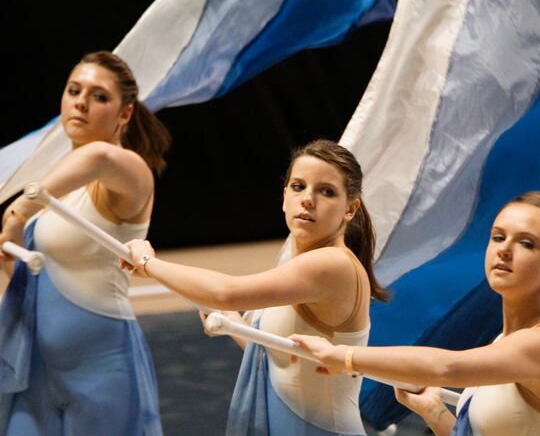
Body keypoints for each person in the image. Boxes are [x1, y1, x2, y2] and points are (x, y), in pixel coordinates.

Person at [0, 51, 170, 436]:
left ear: (125, 115)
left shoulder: (129, 171)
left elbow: (99, 156)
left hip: (103, 372)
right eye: (74, 90)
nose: (81, 102)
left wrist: (18, 210)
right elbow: (33, 278)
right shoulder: (54, 191)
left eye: (99, 96)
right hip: (36, 371)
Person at [125, 139, 388, 436]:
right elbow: (270, 352)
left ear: (350, 209)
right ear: (284, 197)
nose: (308, 199)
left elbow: (225, 292)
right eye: (298, 187)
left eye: (326, 191)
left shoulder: (332, 265)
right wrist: (232, 322)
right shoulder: (296, 263)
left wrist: (148, 263)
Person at [291, 191, 540, 436]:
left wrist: (344, 356)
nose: (505, 249)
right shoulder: (506, 339)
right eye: (499, 237)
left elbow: (446, 368)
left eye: (526, 243)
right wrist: (434, 414)